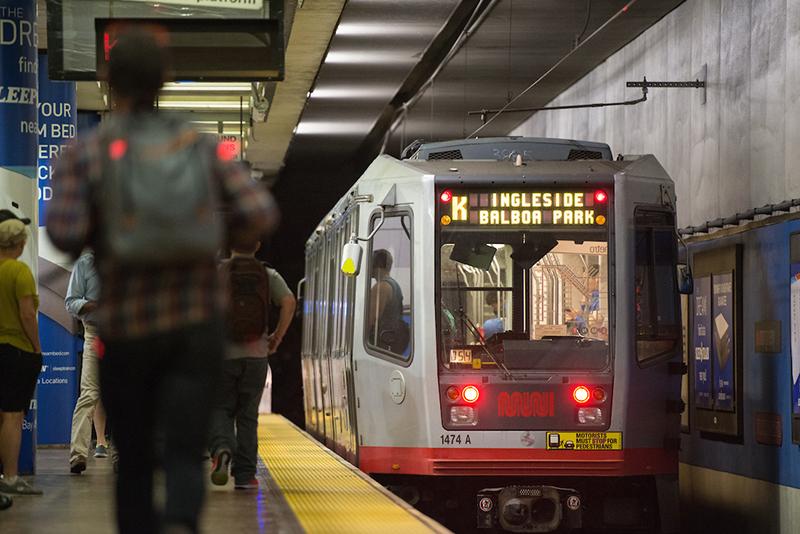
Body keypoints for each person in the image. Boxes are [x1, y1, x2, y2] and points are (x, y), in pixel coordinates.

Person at [47, 28, 275, 534]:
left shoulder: (86, 153)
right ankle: (179, 524)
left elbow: (62, 232)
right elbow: (260, 210)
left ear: (107, 81)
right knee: (181, 447)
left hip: (125, 328)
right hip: (195, 328)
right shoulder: (200, 147)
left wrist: (107, 228)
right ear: (165, 81)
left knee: (133, 458)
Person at [209, 240, 296, 490]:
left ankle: (221, 449)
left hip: (222, 355)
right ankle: (245, 475)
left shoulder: (218, 272)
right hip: (257, 355)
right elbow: (289, 302)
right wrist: (277, 337)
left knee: (220, 408)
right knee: (248, 416)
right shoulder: (267, 274)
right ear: (258, 245)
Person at [0, 209, 43, 497]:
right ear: (20, 243)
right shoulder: (20, 272)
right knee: (13, 416)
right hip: (16, 351)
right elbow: (27, 314)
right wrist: (37, 348)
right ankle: (11, 476)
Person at [65, 250, 110, 474]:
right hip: (94, 334)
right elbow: (70, 302)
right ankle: (78, 456)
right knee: (89, 394)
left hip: (122, 334)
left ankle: (124, 458)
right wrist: (93, 305)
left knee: (127, 394)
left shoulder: (127, 257)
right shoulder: (85, 263)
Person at [368, 249, 409, 354]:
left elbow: (370, 320)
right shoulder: (394, 285)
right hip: (392, 343)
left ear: (375, 266)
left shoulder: (381, 287)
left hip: (380, 346)